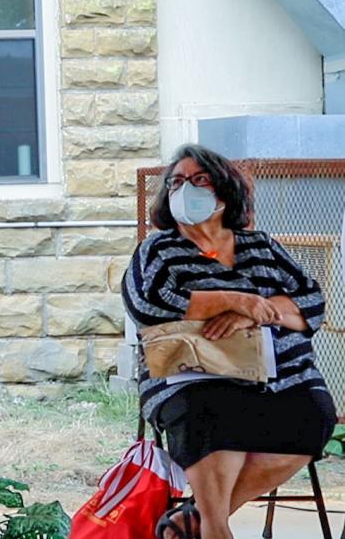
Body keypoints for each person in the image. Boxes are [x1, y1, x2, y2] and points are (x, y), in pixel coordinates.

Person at [123, 144, 336, 539]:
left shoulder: (262, 246)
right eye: (177, 182)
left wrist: (250, 313)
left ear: (224, 191)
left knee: (315, 413)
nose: (185, 189)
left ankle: (193, 522)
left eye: (198, 179)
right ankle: (216, 528)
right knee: (213, 410)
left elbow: (311, 303)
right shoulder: (158, 251)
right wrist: (237, 300)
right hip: (194, 380)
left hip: (283, 379)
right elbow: (149, 305)